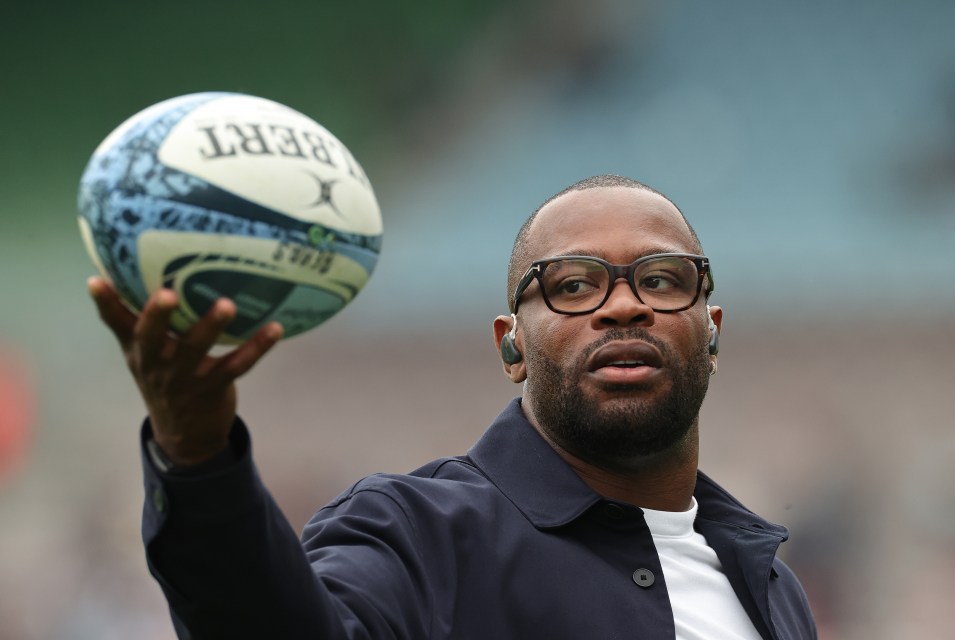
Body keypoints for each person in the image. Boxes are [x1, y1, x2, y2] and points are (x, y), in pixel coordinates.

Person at [89, 175, 817, 639]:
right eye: (570, 285)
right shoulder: (414, 534)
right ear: (512, 347)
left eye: (662, 280)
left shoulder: (766, 581)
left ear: (711, 332)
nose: (624, 306)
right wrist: (198, 459)